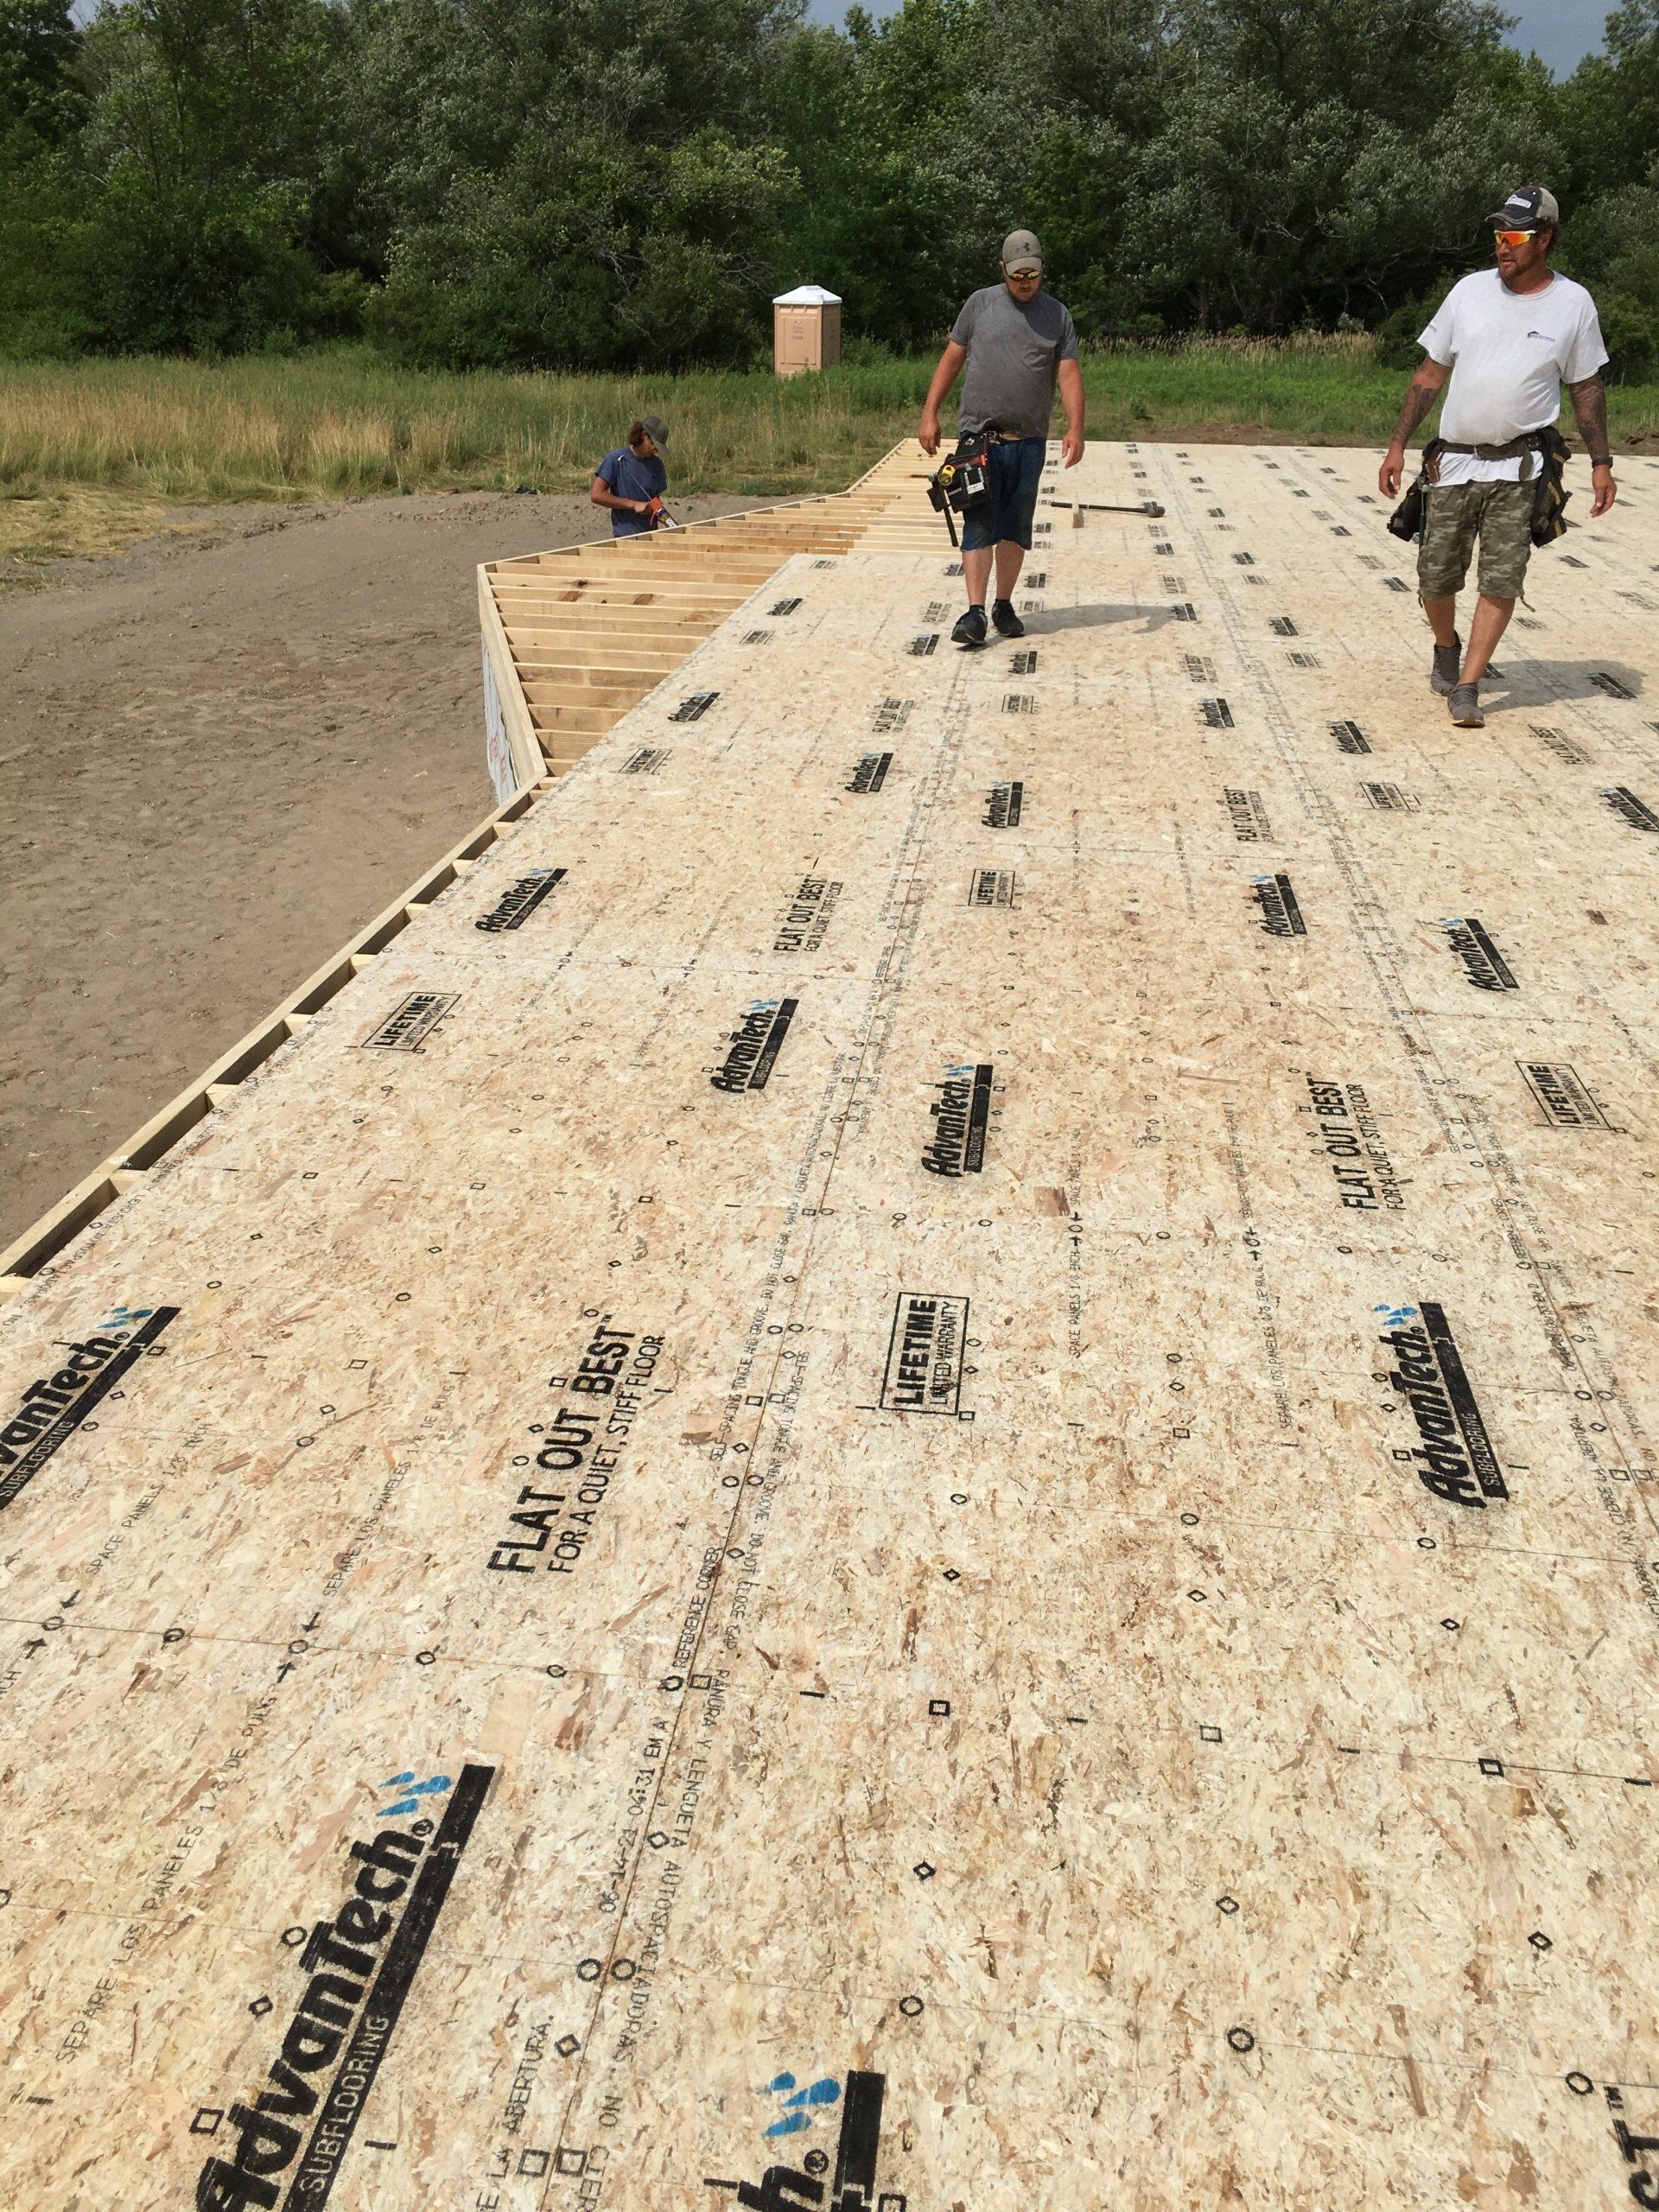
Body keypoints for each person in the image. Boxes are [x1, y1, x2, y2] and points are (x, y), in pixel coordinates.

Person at [1379, 186, 1617, 730]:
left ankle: (1467, 682)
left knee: (1502, 577)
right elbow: (1428, 375)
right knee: (1436, 577)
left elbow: (1586, 388)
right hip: (1453, 463)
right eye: (1498, 235)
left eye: (1513, 235)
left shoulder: (1573, 303)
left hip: (1521, 467)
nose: (1501, 247)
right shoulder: (1468, 292)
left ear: (1545, 240)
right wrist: (1397, 444)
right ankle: (1446, 645)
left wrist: (1601, 462)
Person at [918, 230, 1085, 648]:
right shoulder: (980, 305)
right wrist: (929, 413)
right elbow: (952, 357)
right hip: (981, 440)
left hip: (1029, 440)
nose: (1025, 281)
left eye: (1032, 274)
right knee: (979, 522)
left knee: (1014, 527)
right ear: (1002, 270)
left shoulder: (1057, 315)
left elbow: (1067, 372)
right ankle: (974, 613)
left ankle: (1003, 605)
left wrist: (1076, 426)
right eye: (1017, 275)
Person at [591, 416, 671, 537]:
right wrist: (633, 505)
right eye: (654, 446)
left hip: (651, 537)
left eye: (658, 449)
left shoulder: (657, 465)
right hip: (625, 537)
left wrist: (662, 514)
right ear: (644, 436)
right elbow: (596, 495)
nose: (655, 451)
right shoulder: (615, 459)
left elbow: (655, 500)